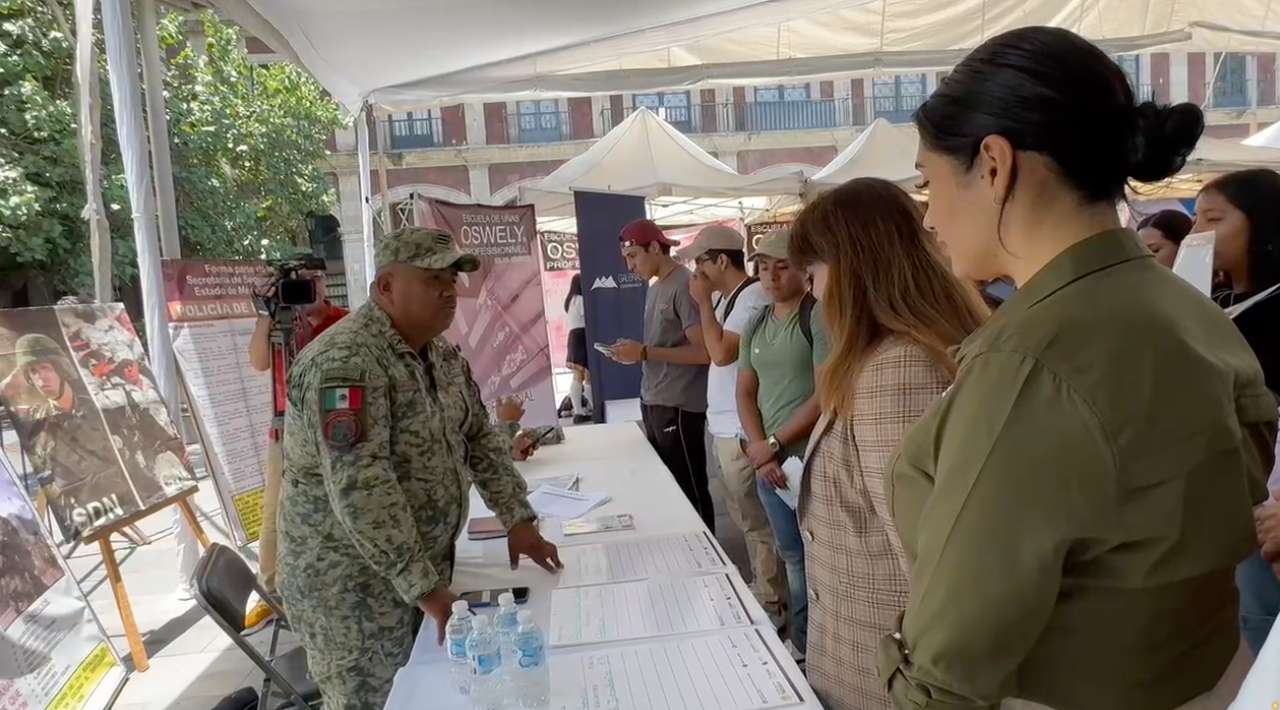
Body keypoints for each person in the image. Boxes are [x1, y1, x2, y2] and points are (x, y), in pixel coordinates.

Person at [880, 26, 1276, 710]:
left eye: (927, 183)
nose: (930, 216)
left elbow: (947, 668)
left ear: (995, 164)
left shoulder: (1035, 360)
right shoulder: (1187, 313)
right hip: (1207, 677)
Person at [276, 227, 562, 709]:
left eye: (452, 277)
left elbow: (477, 440)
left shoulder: (442, 354)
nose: (450, 290)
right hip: (353, 593)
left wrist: (518, 518)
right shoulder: (345, 363)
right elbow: (362, 489)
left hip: (421, 574)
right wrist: (426, 589)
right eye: (432, 278)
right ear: (386, 287)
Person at [789, 178, 987, 710]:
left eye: (815, 274)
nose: (813, 293)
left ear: (853, 268)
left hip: (881, 672)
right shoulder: (887, 358)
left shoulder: (897, 370)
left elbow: (924, 559)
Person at [1192, 168, 1280, 654]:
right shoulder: (1214, 301)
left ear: (1261, 223)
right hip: (1234, 498)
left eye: (1213, 218)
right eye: (1196, 219)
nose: (1197, 234)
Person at [680, 224, 785, 619]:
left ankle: (772, 602)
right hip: (726, 424)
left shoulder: (752, 297)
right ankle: (766, 591)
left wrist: (703, 304)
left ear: (721, 260)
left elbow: (721, 354)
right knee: (746, 519)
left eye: (700, 262)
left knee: (757, 522)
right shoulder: (730, 299)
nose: (696, 272)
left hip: (742, 429)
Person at [736, 228, 827, 657]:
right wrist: (760, 448)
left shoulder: (819, 317)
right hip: (768, 463)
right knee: (790, 554)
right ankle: (804, 643)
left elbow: (825, 394)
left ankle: (816, 645)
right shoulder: (755, 322)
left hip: (809, 459)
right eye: (762, 267)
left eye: (781, 265)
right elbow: (744, 392)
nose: (770, 275)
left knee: (819, 558)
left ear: (804, 269)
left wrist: (772, 443)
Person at [245, 265, 347, 626]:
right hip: (285, 429)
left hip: (331, 428)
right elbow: (258, 361)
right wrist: (264, 315)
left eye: (314, 278)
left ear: (324, 280)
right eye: (299, 280)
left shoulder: (343, 320)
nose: (309, 286)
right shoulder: (275, 323)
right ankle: (270, 592)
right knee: (276, 509)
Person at [609, 219, 715, 530]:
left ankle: (709, 561)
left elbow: (704, 353)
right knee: (669, 490)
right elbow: (661, 345)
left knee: (689, 491)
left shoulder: (683, 285)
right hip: (654, 400)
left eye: (633, 257)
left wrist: (644, 352)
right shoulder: (657, 287)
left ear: (655, 248)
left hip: (679, 406)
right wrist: (636, 352)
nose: (630, 267)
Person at [563, 273, 592, 423]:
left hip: (574, 336)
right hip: (582, 336)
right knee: (586, 376)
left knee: (577, 375)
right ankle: (588, 409)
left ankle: (579, 411)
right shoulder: (581, 300)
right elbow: (589, 318)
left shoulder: (570, 300)